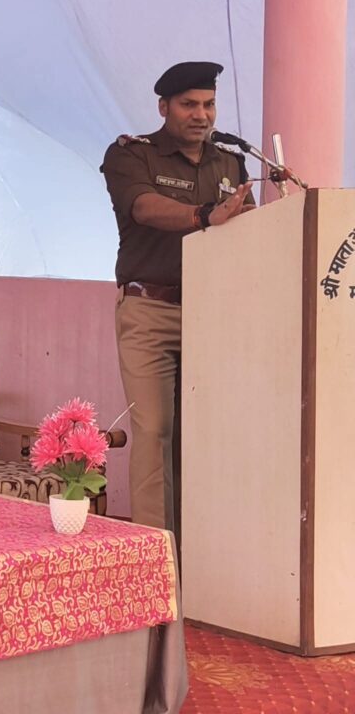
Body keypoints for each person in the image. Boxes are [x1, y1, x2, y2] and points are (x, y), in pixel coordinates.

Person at [101, 61, 255, 536]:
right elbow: (144, 208)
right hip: (150, 311)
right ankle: (155, 561)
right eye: (189, 104)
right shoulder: (132, 155)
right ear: (163, 107)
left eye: (209, 104)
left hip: (213, 315)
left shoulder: (230, 162)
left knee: (204, 435)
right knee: (154, 433)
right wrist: (204, 215)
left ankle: (200, 556)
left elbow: (252, 226)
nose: (201, 115)